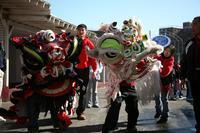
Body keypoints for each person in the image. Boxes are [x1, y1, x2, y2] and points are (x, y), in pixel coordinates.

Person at [180, 16, 200, 133]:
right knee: (197, 104)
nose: (193, 27)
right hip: (195, 79)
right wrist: (182, 77)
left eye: (195, 24)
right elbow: (184, 61)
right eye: (192, 24)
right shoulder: (190, 43)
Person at [74, 24, 97, 120]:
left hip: (85, 71)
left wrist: (94, 70)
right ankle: (65, 111)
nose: (81, 31)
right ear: (77, 31)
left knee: (83, 92)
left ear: (85, 31)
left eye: (82, 30)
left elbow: (93, 59)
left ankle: (80, 112)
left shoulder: (89, 43)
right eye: (79, 30)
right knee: (69, 90)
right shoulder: (72, 42)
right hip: (73, 70)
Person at [154, 44, 175, 124]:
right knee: (156, 98)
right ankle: (158, 111)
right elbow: (152, 60)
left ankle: (165, 115)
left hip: (165, 82)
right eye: (166, 50)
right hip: (157, 81)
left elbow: (166, 72)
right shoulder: (159, 57)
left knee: (164, 99)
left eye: (169, 52)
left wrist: (159, 68)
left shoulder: (171, 60)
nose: (166, 52)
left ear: (171, 53)